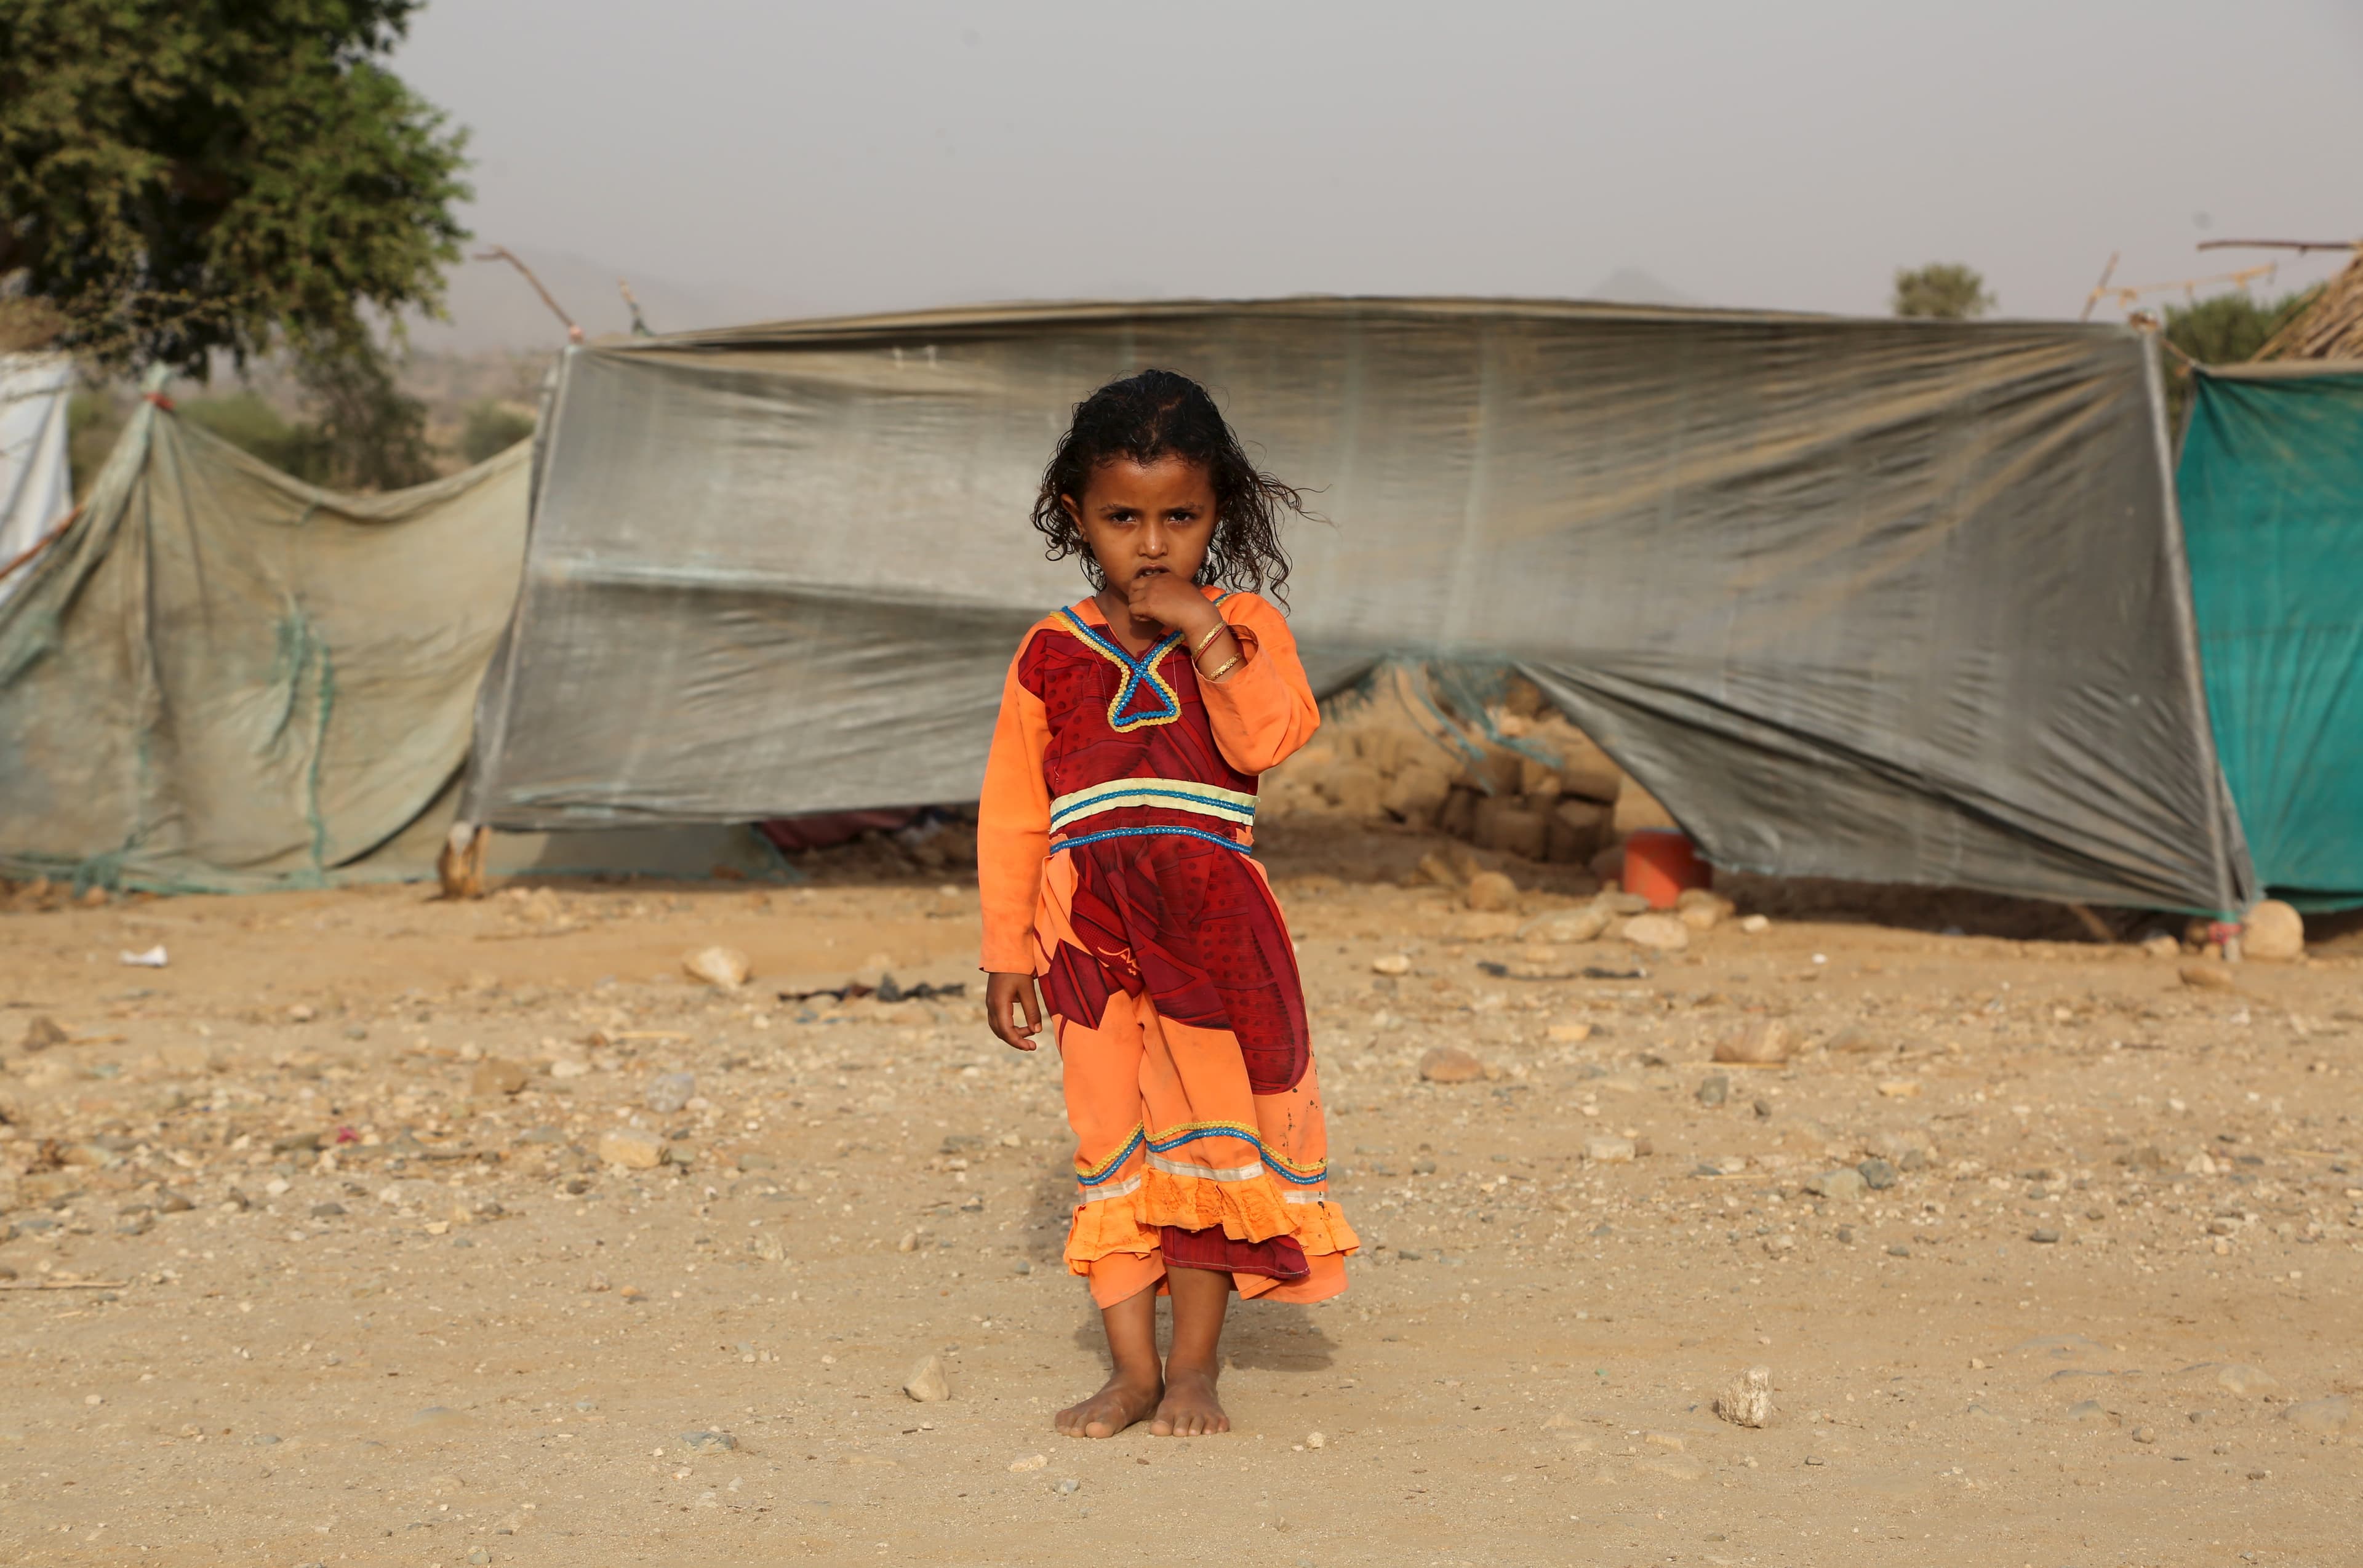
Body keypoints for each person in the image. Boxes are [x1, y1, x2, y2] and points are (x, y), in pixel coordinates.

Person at [977, 369, 1356, 1439]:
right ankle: (1130, 1373)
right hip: (1089, 937)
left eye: (1180, 519)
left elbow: (1266, 737)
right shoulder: (1050, 651)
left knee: (1210, 1137)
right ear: (1076, 516)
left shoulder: (1243, 626)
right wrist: (1009, 948)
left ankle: (1194, 1370)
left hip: (1213, 934)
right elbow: (1013, 812)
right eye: (1124, 518)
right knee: (1112, 1136)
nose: (1152, 545)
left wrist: (1204, 629)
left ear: (1217, 515)